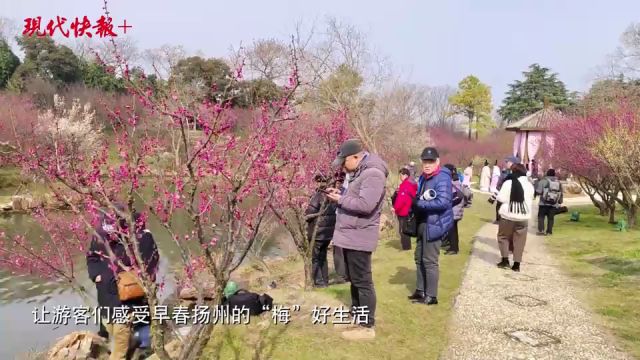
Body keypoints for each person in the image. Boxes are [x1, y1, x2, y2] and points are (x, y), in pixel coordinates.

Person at [326, 138, 388, 341]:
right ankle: (357, 314)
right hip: (351, 234)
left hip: (360, 236)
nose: (343, 167)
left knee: (363, 281)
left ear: (356, 157)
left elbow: (366, 205)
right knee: (354, 279)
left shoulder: (373, 174)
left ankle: (367, 324)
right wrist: (341, 193)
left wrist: (341, 199)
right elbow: (356, 196)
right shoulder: (360, 172)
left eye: (345, 162)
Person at [87, 205, 159, 360]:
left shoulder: (138, 237)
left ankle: (141, 348)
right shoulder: (100, 235)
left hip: (128, 296)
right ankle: (127, 347)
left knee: (125, 335)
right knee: (111, 328)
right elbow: (92, 257)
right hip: (106, 293)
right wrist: (96, 275)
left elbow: (150, 263)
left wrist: (135, 279)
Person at [407, 147, 454, 305]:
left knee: (430, 260)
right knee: (418, 258)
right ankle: (420, 291)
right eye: (425, 161)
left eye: (431, 161)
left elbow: (443, 202)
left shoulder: (442, 178)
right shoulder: (424, 177)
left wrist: (419, 203)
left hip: (434, 224)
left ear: (437, 162)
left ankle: (431, 296)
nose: (427, 164)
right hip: (423, 222)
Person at [495, 163, 534, 272]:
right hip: (523, 217)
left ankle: (505, 260)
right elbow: (531, 199)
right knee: (520, 241)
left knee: (503, 237)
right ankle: (516, 264)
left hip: (508, 216)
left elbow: (501, 198)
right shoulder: (529, 185)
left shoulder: (509, 183)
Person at [305, 174, 340, 288]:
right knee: (323, 257)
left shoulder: (317, 197)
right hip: (327, 234)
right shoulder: (332, 196)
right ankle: (325, 280)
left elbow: (309, 214)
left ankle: (319, 282)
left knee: (315, 258)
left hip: (318, 234)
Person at [392, 168, 418, 251]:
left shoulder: (405, 185)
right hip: (408, 209)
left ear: (405, 175)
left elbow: (401, 200)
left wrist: (395, 209)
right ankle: (407, 246)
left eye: (401, 175)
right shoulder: (410, 184)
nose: (400, 177)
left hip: (404, 210)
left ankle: (406, 247)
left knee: (403, 230)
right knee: (405, 229)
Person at [443, 164, 465, 255]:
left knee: (452, 230)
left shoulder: (454, 182)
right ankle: (452, 245)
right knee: (452, 229)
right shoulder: (455, 181)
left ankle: (454, 248)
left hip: (454, 210)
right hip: (455, 210)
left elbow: (455, 197)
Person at [535, 169, 564, 236]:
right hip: (553, 203)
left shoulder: (543, 181)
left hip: (543, 203)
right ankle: (549, 232)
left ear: (547, 174)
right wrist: (560, 201)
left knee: (541, 216)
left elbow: (538, 192)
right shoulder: (558, 183)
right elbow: (561, 193)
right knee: (551, 218)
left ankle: (541, 230)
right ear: (554, 174)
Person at [493, 155, 520, 224]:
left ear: (512, 163)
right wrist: (498, 188)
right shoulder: (505, 171)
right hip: (502, 191)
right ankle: (498, 219)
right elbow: (500, 181)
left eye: (507, 162)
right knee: (499, 204)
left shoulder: (517, 172)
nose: (506, 163)